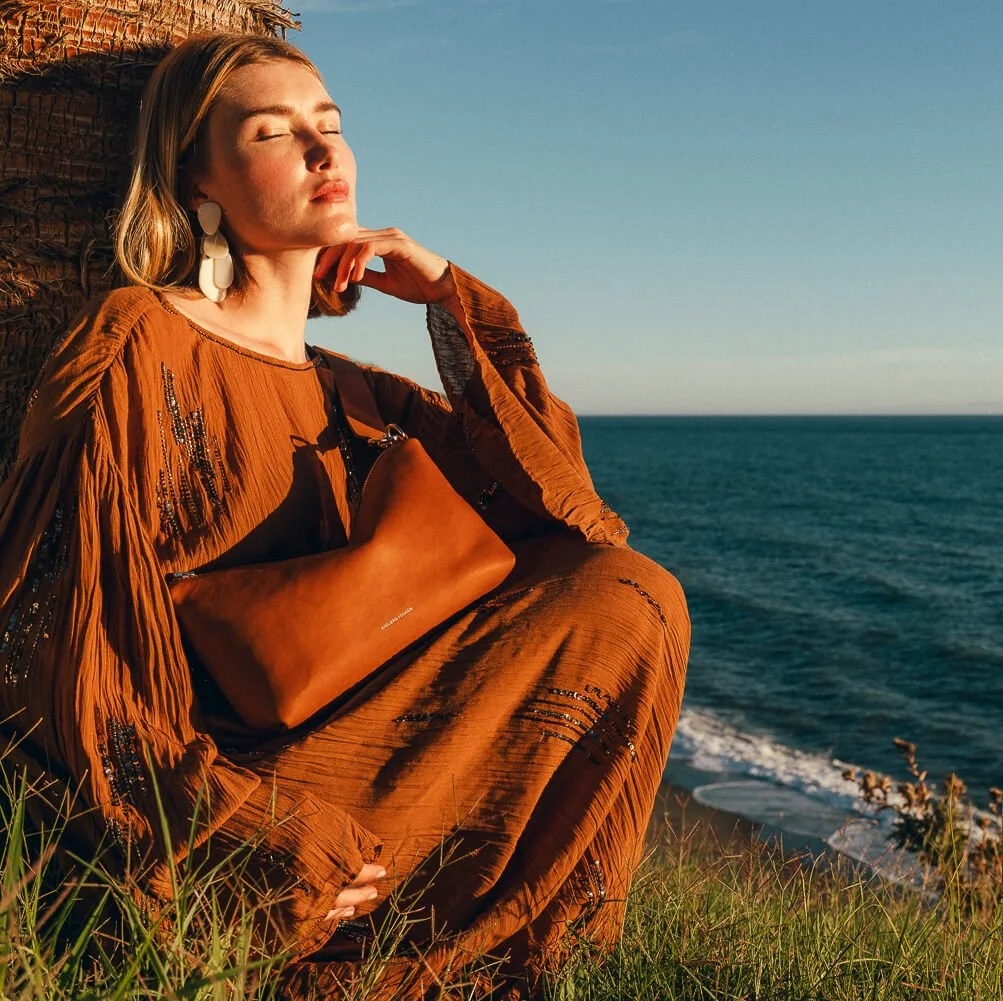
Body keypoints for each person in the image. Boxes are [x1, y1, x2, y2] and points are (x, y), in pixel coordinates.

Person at [0, 30, 690, 999]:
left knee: (629, 597)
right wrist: (250, 829)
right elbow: (57, 645)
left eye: (331, 125)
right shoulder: (137, 342)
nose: (324, 150)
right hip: (224, 809)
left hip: (374, 779)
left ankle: (522, 954)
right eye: (275, 132)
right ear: (198, 182)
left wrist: (448, 296)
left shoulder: (353, 391)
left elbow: (568, 509)